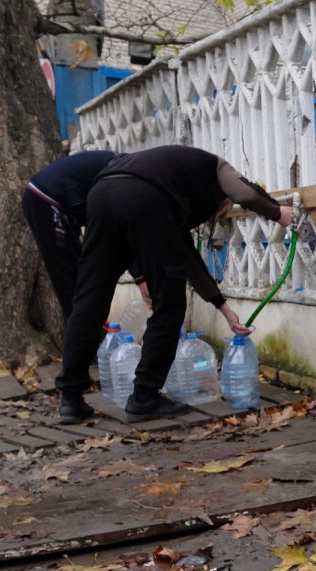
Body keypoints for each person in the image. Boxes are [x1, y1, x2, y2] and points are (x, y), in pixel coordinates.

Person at [55, 145, 294, 424]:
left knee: (89, 300)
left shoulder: (173, 179)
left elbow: (186, 258)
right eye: (224, 208)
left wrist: (224, 308)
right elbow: (246, 193)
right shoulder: (217, 167)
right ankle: (144, 397)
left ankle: (70, 399)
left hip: (99, 195)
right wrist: (278, 213)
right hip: (143, 199)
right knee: (169, 303)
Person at [22, 150, 151, 321]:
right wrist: (141, 277)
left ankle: (88, 334)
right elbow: (120, 230)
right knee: (69, 283)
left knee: (81, 276)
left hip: (65, 208)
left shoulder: (129, 176)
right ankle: (81, 342)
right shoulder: (123, 175)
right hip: (46, 199)